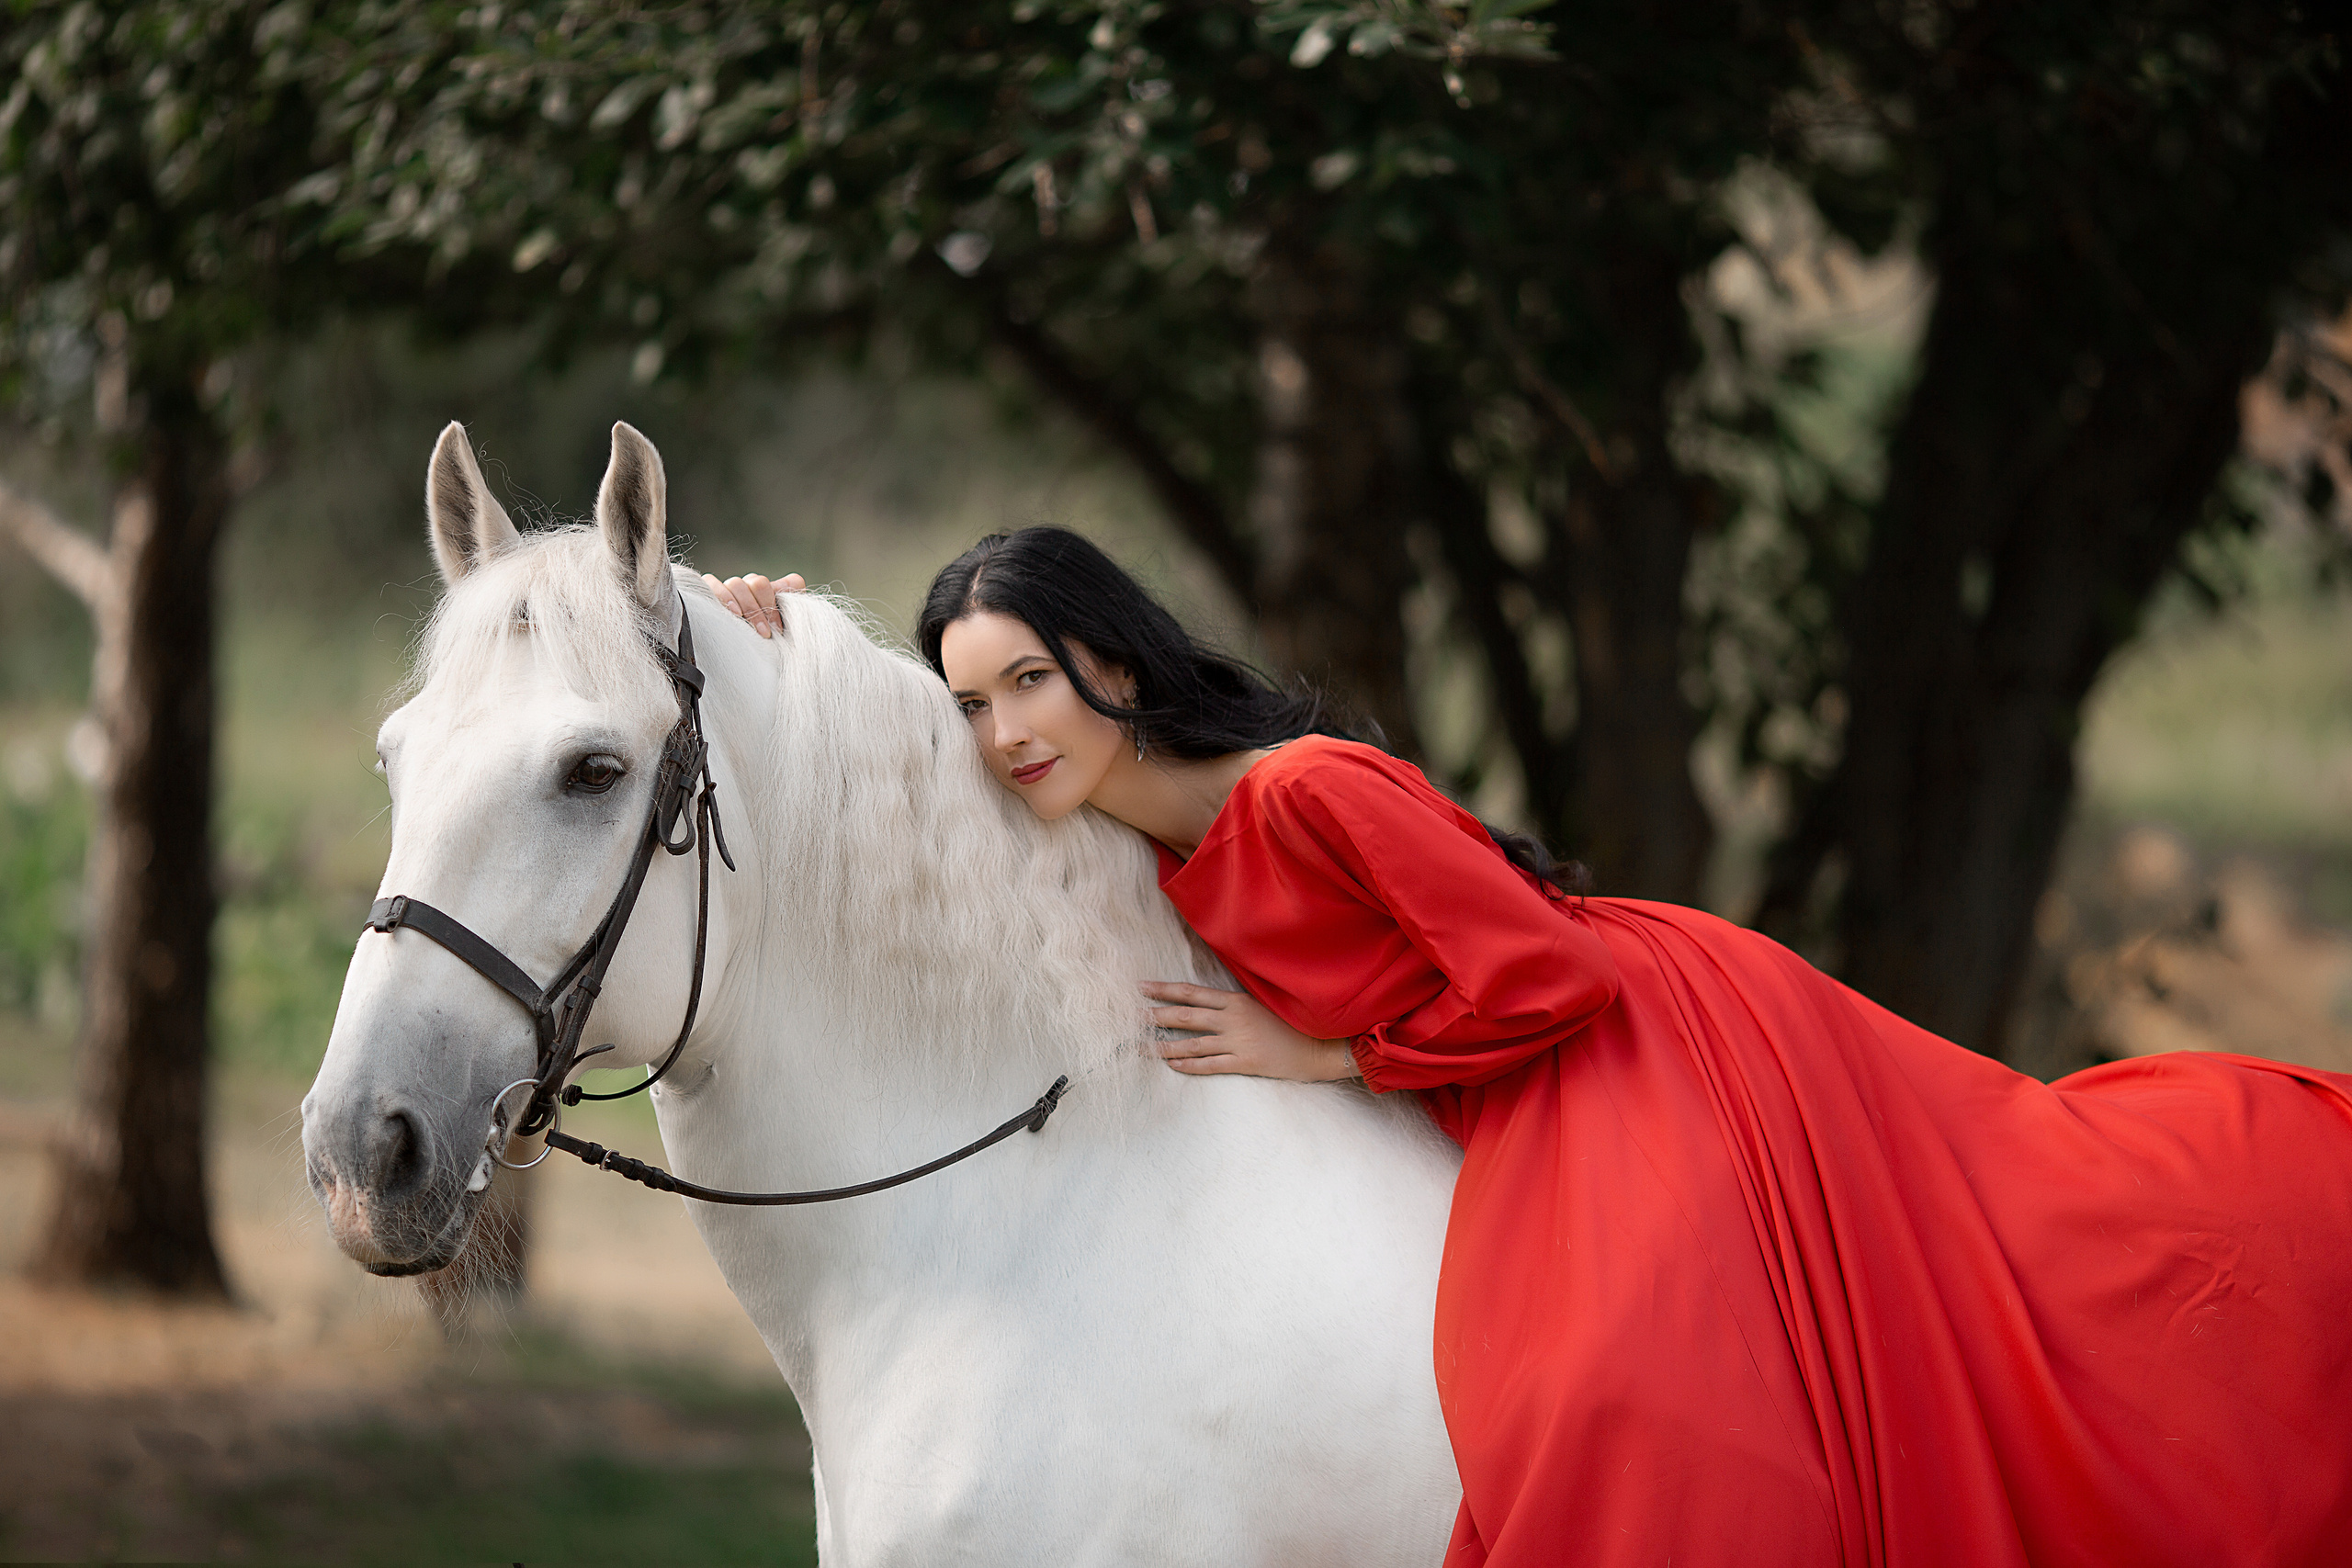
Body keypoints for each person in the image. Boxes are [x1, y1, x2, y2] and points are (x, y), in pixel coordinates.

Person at [705, 530, 2352, 1567]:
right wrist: (749, 629)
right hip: (1513, 1040)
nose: (1003, 734)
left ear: (1113, 667)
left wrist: (1319, 1058)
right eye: (974, 703)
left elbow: (1547, 974)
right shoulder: (1094, 808)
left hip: (1627, 1035)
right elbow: (897, 760)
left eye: (1030, 687)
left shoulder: (1299, 792)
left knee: (1620, 1392)